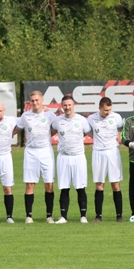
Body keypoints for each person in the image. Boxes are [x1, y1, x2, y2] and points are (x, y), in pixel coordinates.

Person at [17, 89, 58, 224]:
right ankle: (29, 216)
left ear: (42, 100)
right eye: (32, 101)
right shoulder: (25, 116)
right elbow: (16, 128)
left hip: (46, 151)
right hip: (31, 152)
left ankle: (49, 216)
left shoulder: (50, 115)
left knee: (49, 184)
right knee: (30, 184)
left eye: (37, 100)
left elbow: (57, 127)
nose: (35, 103)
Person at [52, 95, 92, 223]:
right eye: (65, 105)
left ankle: (83, 216)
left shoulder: (81, 120)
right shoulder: (57, 120)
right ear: (62, 106)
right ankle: (63, 216)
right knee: (64, 187)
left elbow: (90, 133)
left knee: (80, 187)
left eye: (69, 105)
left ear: (73, 105)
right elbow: (50, 132)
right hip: (63, 157)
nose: (67, 107)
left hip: (78, 156)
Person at [88, 97, 125, 223]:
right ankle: (98, 216)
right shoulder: (91, 119)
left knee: (115, 184)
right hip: (98, 152)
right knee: (99, 184)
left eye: (109, 110)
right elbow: (88, 131)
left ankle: (119, 215)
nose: (108, 112)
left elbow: (121, 129)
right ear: (99, 108)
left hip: (113, 152)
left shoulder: (116, 117)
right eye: (105, 110)